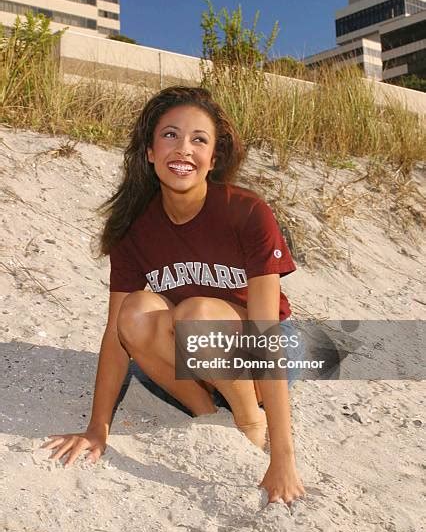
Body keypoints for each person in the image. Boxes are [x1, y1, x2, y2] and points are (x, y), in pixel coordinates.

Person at [42, 86, 306, 506]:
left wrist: (282, 455)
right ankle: (204, 412)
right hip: (189, 364)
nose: (183, 148)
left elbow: (265, 330)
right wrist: (97, 428)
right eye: (170, 135)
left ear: (213, 159)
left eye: (199, 139)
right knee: (135, 312)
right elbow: (116, 335)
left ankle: (246, 418)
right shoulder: (135, 227)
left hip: (262, 355)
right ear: (149, 151)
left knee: (195, 313)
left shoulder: (247, 212)